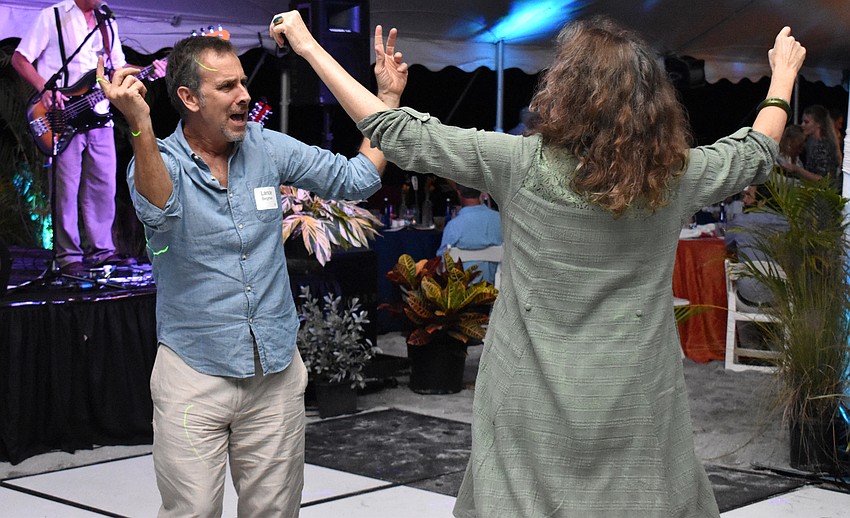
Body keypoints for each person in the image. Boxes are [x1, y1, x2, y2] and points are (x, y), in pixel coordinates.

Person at [272, 12, 804, 517]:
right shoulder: (678, 176)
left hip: (527, 399)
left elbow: (395, 131)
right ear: (652, 103)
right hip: (637, 398)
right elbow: (754, 151)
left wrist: (308, 46)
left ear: (563, 90)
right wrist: (781, 78)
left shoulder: (518, 165)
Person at [95, 28, 405, 516]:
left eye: (243, 83)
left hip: (275, 373)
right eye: (227, 87)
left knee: (275, 512)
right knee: (192, 512)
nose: (244, 97)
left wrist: (386, 100)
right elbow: (160, 211)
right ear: (188, 98)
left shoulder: (267, 147)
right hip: (194, 374)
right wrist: (139, 125)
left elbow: (358, 179)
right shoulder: (157, 160)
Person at [11, 0, 166, 275]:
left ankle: (102, 252)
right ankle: (68, 256)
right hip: (60, 115)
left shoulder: (107, 21)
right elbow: (20, 58)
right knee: (66, 190)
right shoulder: (53, 16)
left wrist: (152, 69)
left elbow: (118, 68)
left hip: (100, 114)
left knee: (103, 186)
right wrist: (44, 89)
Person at [436, 183, 502, 284]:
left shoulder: (453, 226)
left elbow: (441, 262)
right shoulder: (500, 220)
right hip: (493, 292)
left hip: (462, 294)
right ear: (480, 192)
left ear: (459, 193)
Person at [800, 104, 841, 191]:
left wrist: (797, 169)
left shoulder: (824, 145)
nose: (802, 125)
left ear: (818, 124)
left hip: (824, 196)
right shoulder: (812, 142)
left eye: (806, 122)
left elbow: (822, 179)